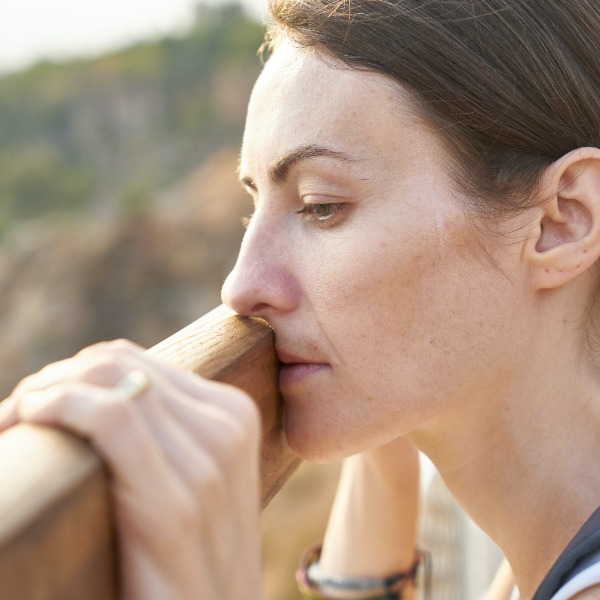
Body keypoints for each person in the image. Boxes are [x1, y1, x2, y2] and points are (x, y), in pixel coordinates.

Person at [2, 0, 600, 598]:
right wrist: (381, 447)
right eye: (252, 204)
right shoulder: (544, 547)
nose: (239, 286)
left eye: (321, 207)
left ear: (561, 222)